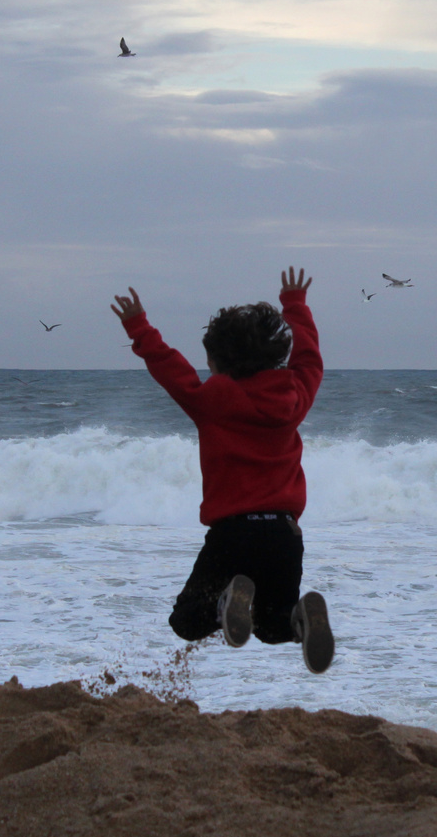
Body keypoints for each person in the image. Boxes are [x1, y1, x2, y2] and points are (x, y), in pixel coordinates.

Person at [110, 267, 333, 673]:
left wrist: (138, 326)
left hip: (233, 533)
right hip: (284, 534)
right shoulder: (294, 396)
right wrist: (295, 306)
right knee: (272, 625)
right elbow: (310, 358)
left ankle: (226, 601)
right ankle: (302, 619)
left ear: (218, 361)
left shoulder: (211, 400)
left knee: (187, 619)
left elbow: (169, 368)